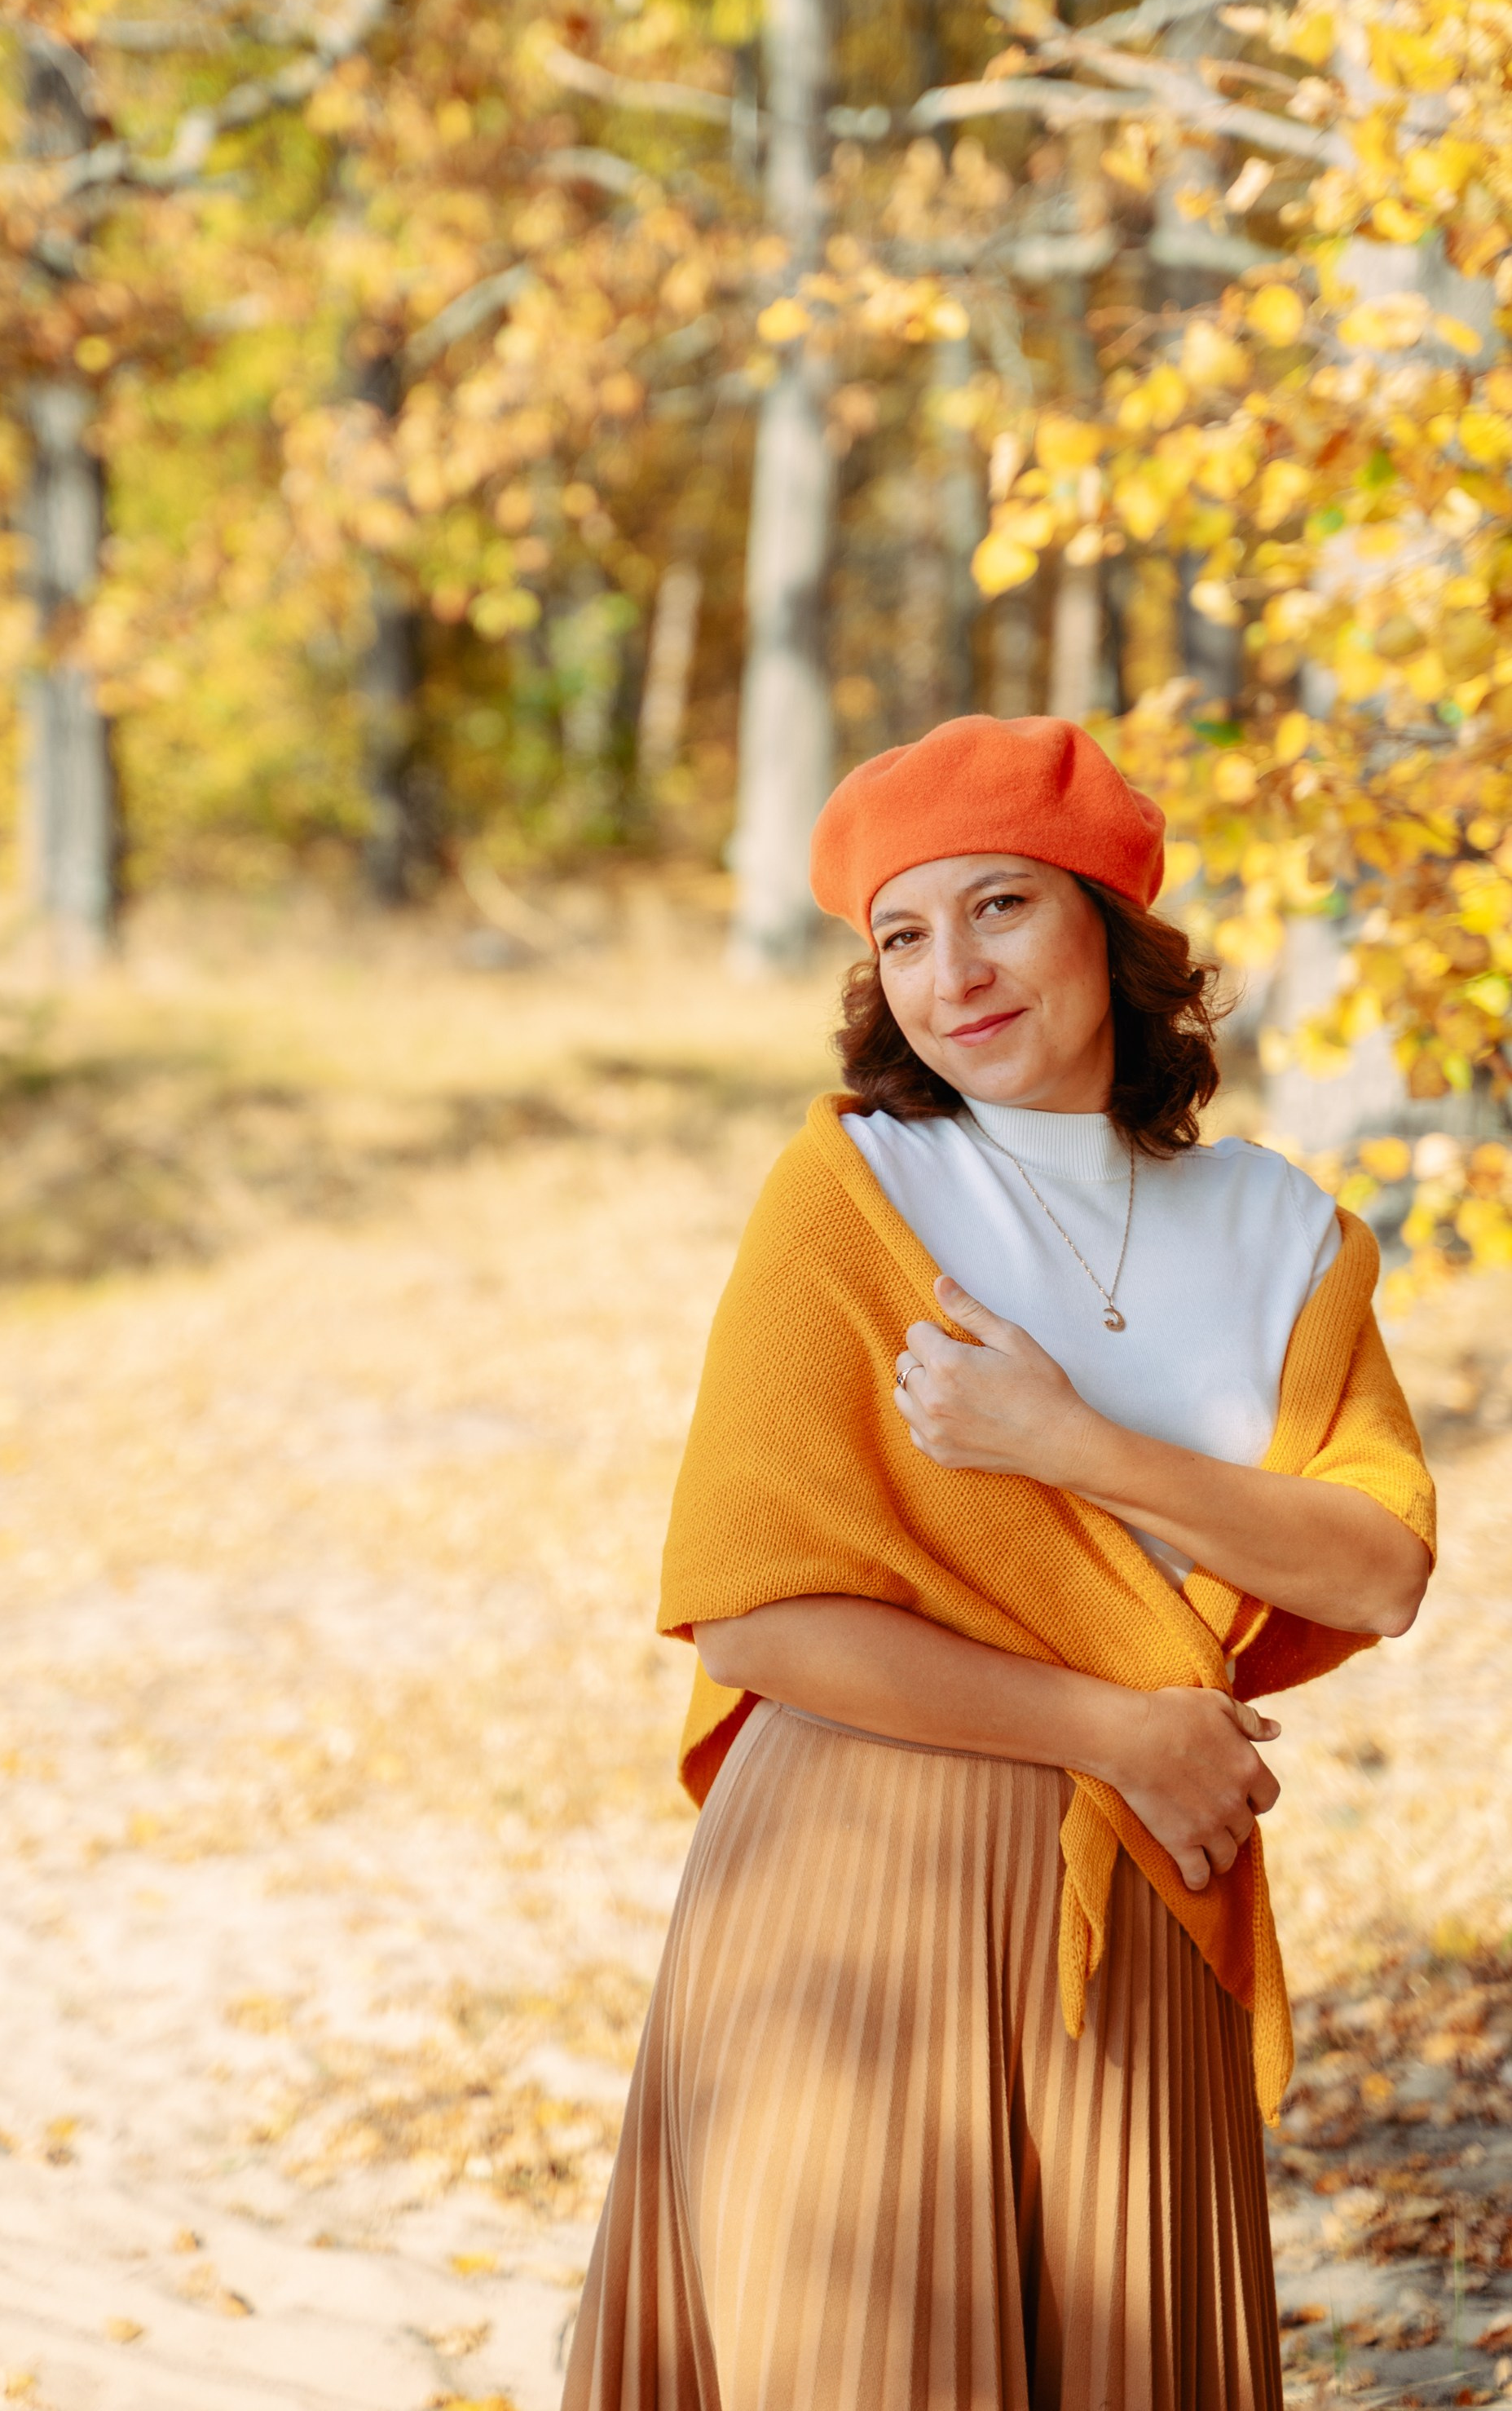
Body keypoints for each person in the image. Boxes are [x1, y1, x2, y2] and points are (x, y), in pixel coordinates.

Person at [562, 713, 1435, 2411]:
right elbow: (753, 1614)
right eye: (902, 933)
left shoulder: (1281, 1231)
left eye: (1000, 910)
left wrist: (1073, 1444)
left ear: (1108, 927)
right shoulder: (853, 1192)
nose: (948, 973)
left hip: (1135, 1900)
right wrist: (1114, 1728)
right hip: (863, 1876)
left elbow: (1376, 1572)